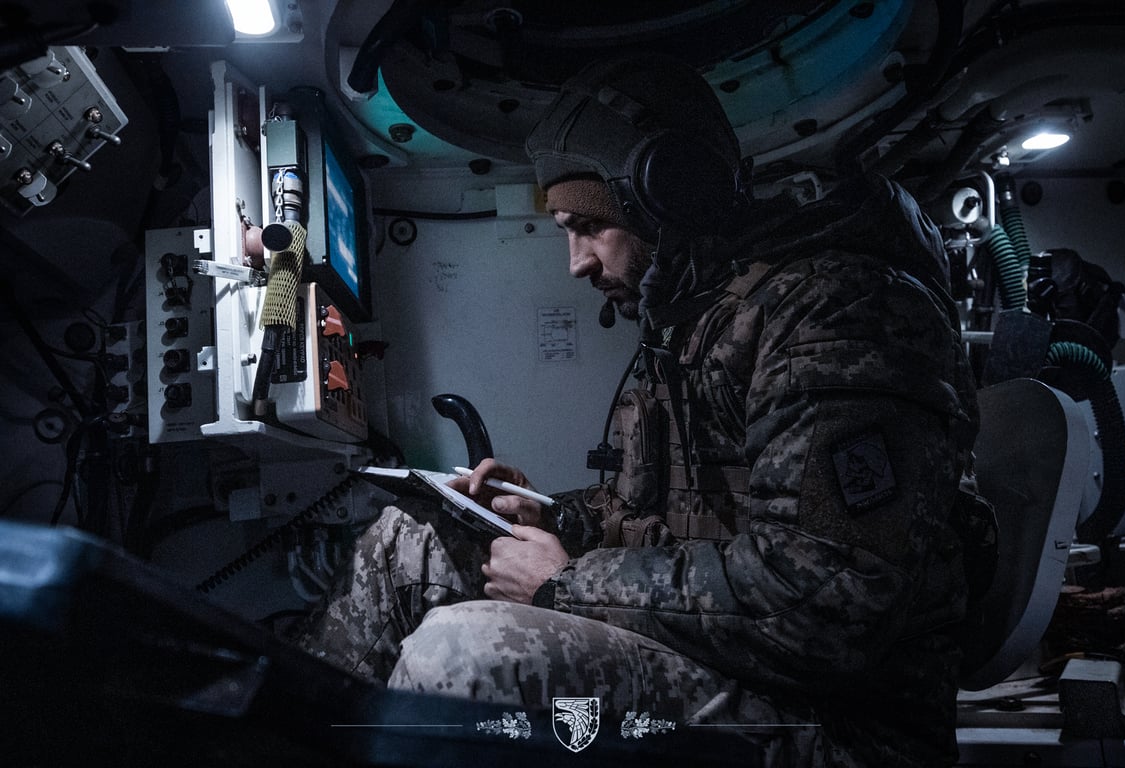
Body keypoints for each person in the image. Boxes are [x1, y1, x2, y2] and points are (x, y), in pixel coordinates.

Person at [295, 52, 981, 767]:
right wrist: (550, 518)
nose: (577, 262)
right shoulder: (692, 321)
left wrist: (565, 585)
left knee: (463, 653)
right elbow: (660, 517)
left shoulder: (840, 315)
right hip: (732, 663)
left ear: (670, 196)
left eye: (590, 225)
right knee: (409, 543)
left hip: (837, 726)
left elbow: (825, 599)